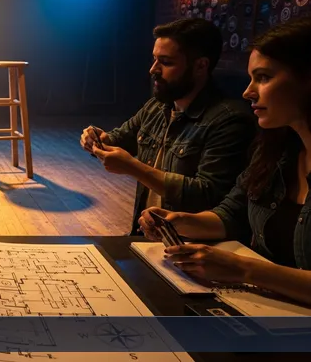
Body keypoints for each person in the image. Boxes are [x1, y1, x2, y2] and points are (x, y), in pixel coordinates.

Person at [138, 16, 311, 306]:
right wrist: (178, 221)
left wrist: (243, 269)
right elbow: (232, 214)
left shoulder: (229, 119)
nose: (248, 92)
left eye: (264, 77)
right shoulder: (277, 150)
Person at [80, 18, 256, 235]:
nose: (153, 69)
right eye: (154, 59)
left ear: (201, 65)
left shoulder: (229, 120)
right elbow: (120, 137)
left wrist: (133, 167)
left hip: (192, 246)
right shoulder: (158, 106)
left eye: (166, 62)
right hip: (146, 236)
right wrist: (97, 139)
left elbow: (208, 194)